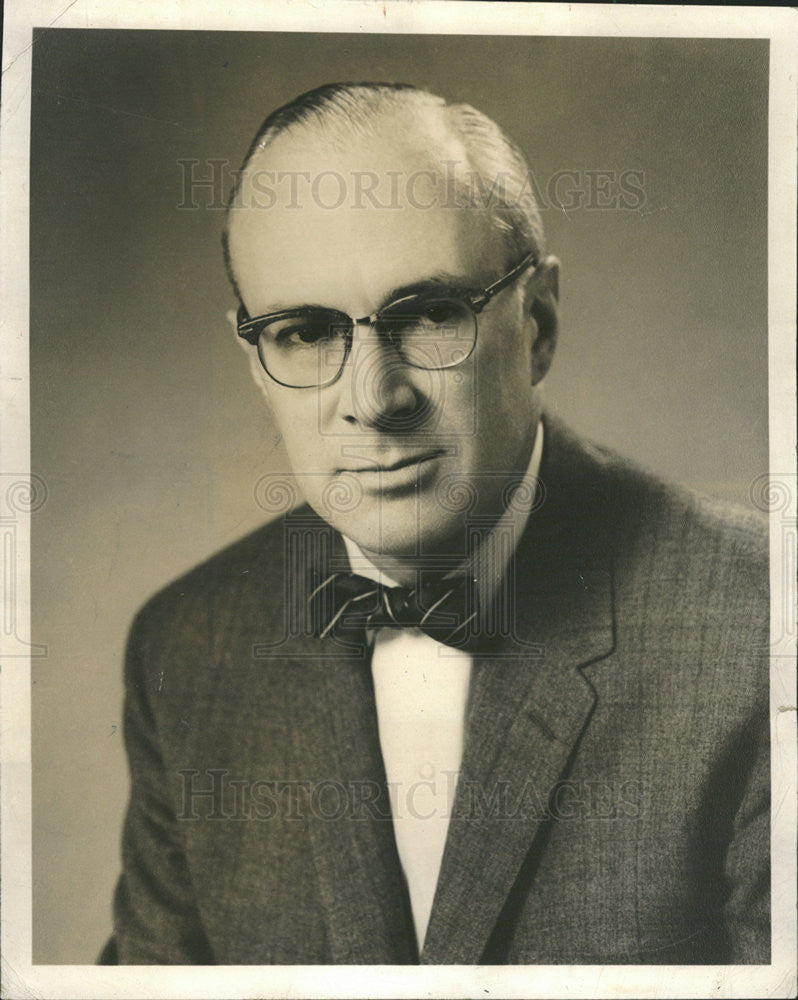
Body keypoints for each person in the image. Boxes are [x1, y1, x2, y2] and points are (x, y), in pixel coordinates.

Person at [104, 82, 769, 965]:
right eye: (305, 332)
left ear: (536, 324)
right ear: (256, 362)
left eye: (428, 316)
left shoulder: (763, 620)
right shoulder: (187, 649)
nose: (375, 400)